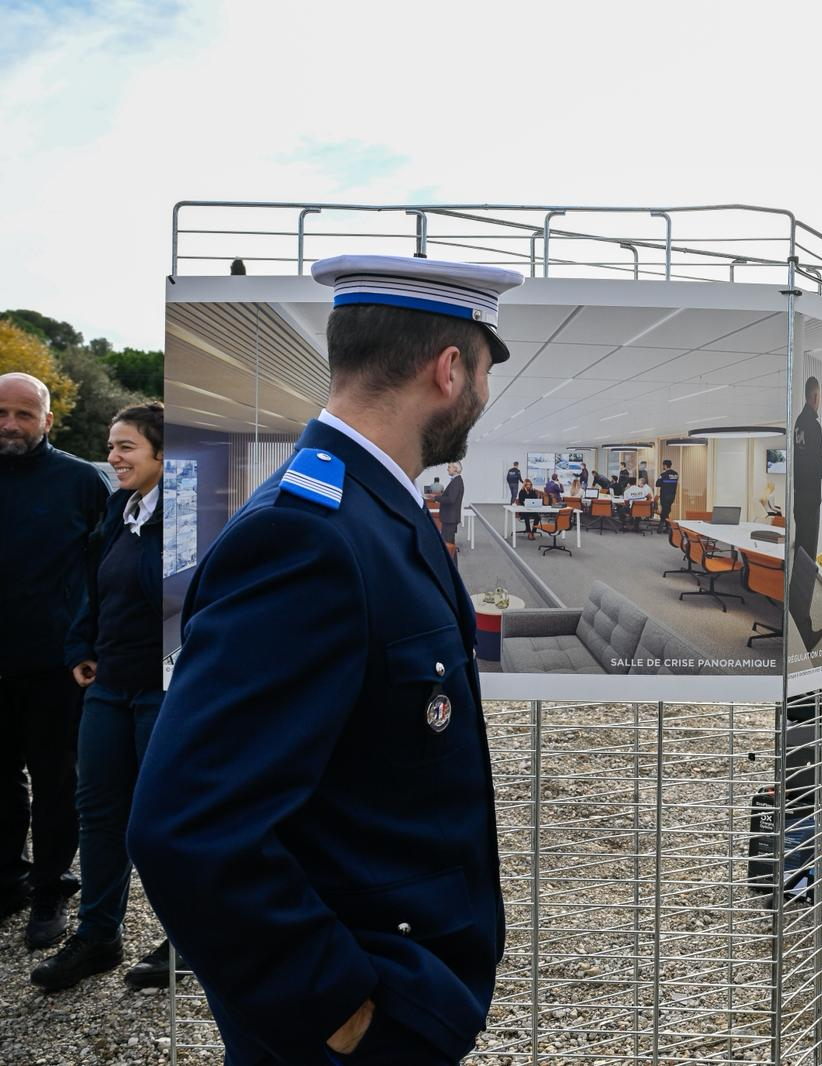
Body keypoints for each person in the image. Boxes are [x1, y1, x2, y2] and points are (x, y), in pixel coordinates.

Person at [128, 255, 523, 1064]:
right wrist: (341, 1010)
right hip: (349, 1030)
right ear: (450, 370)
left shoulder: (376, 507)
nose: (483, 397)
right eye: (484, 373)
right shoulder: (309, 535)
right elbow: (187, 826)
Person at [32, 403, 177, 991]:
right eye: (112, 446)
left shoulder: (183, 518)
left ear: (162, 456)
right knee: (98, 813)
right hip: (109, 686)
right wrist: (79, 646)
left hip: (161, 691)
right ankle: (98, 936)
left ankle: (182, 939)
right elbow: (94, 587)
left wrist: (152, 534)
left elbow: (169, 597)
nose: (113, 458)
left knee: (159, 820)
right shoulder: (122, 506)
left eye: (126, 448)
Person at [0, 372, 105, 950]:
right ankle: (8, 881)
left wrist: (91, 643)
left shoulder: (79, 482)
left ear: (47, 420)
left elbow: (103, 565)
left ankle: (49, 892)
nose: (10, 425)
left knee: (56, 780)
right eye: (1, 413)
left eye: (23, 414)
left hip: (54, 662)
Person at [792, 375, 822, 563]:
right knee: (809, 555)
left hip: (799, 498)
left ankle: (796, 589)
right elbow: (818, 465)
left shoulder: (798, 422)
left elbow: (805, 460)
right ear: (816, 397)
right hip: (810, 502)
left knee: (800, 547)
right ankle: (804, 592)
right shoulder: (814, 426)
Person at [438, 462, 465, 560]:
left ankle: (450, 569)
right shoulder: (456, 481)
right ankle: (453, 567)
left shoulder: (456, 482)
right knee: (450, 545)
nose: (447, 469)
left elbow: (451, 499)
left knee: (447, 546)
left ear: (455, 469)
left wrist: (437, 498)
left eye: (449, 467)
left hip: (450, 518)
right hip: (450, 518)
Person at [656, 459, 680, 528]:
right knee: (667, 509)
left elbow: (657, 484)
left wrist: (661, 479)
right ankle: (667, 525)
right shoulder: (676, 474)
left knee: (665, 509)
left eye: (663, 465)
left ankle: (662, 524)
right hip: (672, 495)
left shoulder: (663, 474)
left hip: (664, 495)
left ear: (665, 465)